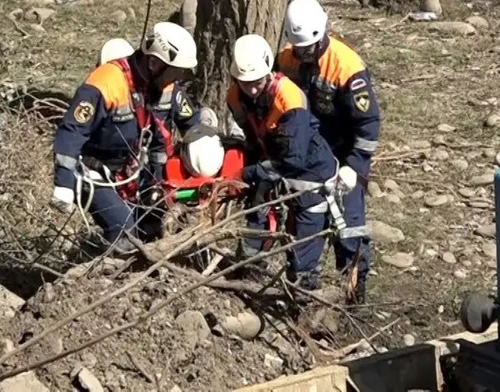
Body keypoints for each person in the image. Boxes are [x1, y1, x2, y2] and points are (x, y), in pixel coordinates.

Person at [51, 22, 198, 253]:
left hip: (135, 174)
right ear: (153, 62)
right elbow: (73, 129)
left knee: (151, 226)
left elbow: (167, 132)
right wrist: (64, 182)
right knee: (124, 230)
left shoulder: (162, 87)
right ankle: (108, 278)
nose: (176, 79)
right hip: (95, 173)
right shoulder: (107, 82)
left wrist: (158, 181)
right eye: (174, 72)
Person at [275, 0, 379, 303]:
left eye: (307, 49)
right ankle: (304, 292)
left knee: (350, 230)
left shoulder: (347, 68)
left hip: (343, 157)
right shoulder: (286, 60)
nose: (302, 55)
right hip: (306, 158)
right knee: (305, 225)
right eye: (298, 49)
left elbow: (368, 124)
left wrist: (355, 166)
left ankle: (354, 294)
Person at [226, 33, 338, 291]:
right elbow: (251, 136)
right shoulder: (235, 97)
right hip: (270, 167)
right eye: (245, 84)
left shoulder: (289, 100)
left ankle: (304, 297)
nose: (252, 89)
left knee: (302, 249)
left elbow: (293, 160)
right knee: (256, 225)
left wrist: (247, 174)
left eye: (256, 82)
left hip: (310, 175)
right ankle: (248, 278)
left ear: (268, 73)